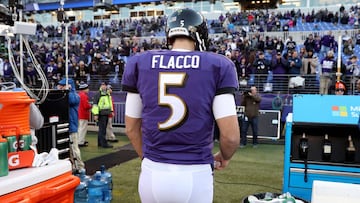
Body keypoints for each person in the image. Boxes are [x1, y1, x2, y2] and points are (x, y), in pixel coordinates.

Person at [122, 8, 240, 203]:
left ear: (170, 34)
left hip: (152, 174)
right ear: (200, 35)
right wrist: (224, 156)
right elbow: (231, 136)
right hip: (195, 173)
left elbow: (131, 127)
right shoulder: (218, 65)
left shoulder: (139, 62)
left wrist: (148, 157)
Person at [57, 78, 85, 172]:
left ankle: (80, 167)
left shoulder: (75, 96)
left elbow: (72, 101)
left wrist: (68, 90)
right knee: (66, 149)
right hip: (63, 125)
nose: (60, 87)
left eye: (62, 85)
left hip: (72, 126)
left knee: (74, 149)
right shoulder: (63, 95)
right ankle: (71, 166)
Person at [91, 82, 113, 148]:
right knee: (102, 129)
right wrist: (96, 114)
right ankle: (104, 143)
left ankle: (100, 142)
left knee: (102, 129)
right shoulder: (98, 94)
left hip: (106, 113)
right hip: (101, 113)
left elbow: (109, 103)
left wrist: (111, 111)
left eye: (104, 85)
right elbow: (95, 105)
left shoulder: (107, 94)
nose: (103, 86)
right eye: (102, 85)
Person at [77, 82, 92, 147]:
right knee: (82, 128)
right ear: (84, 89)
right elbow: (86, 106)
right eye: (87, 88)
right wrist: (90, 105)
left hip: (79, 114)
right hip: (83, 114)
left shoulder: (78, 95)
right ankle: (80, 141)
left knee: (80, 128)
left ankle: (80, 140)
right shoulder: (84, 96)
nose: (88, 90)